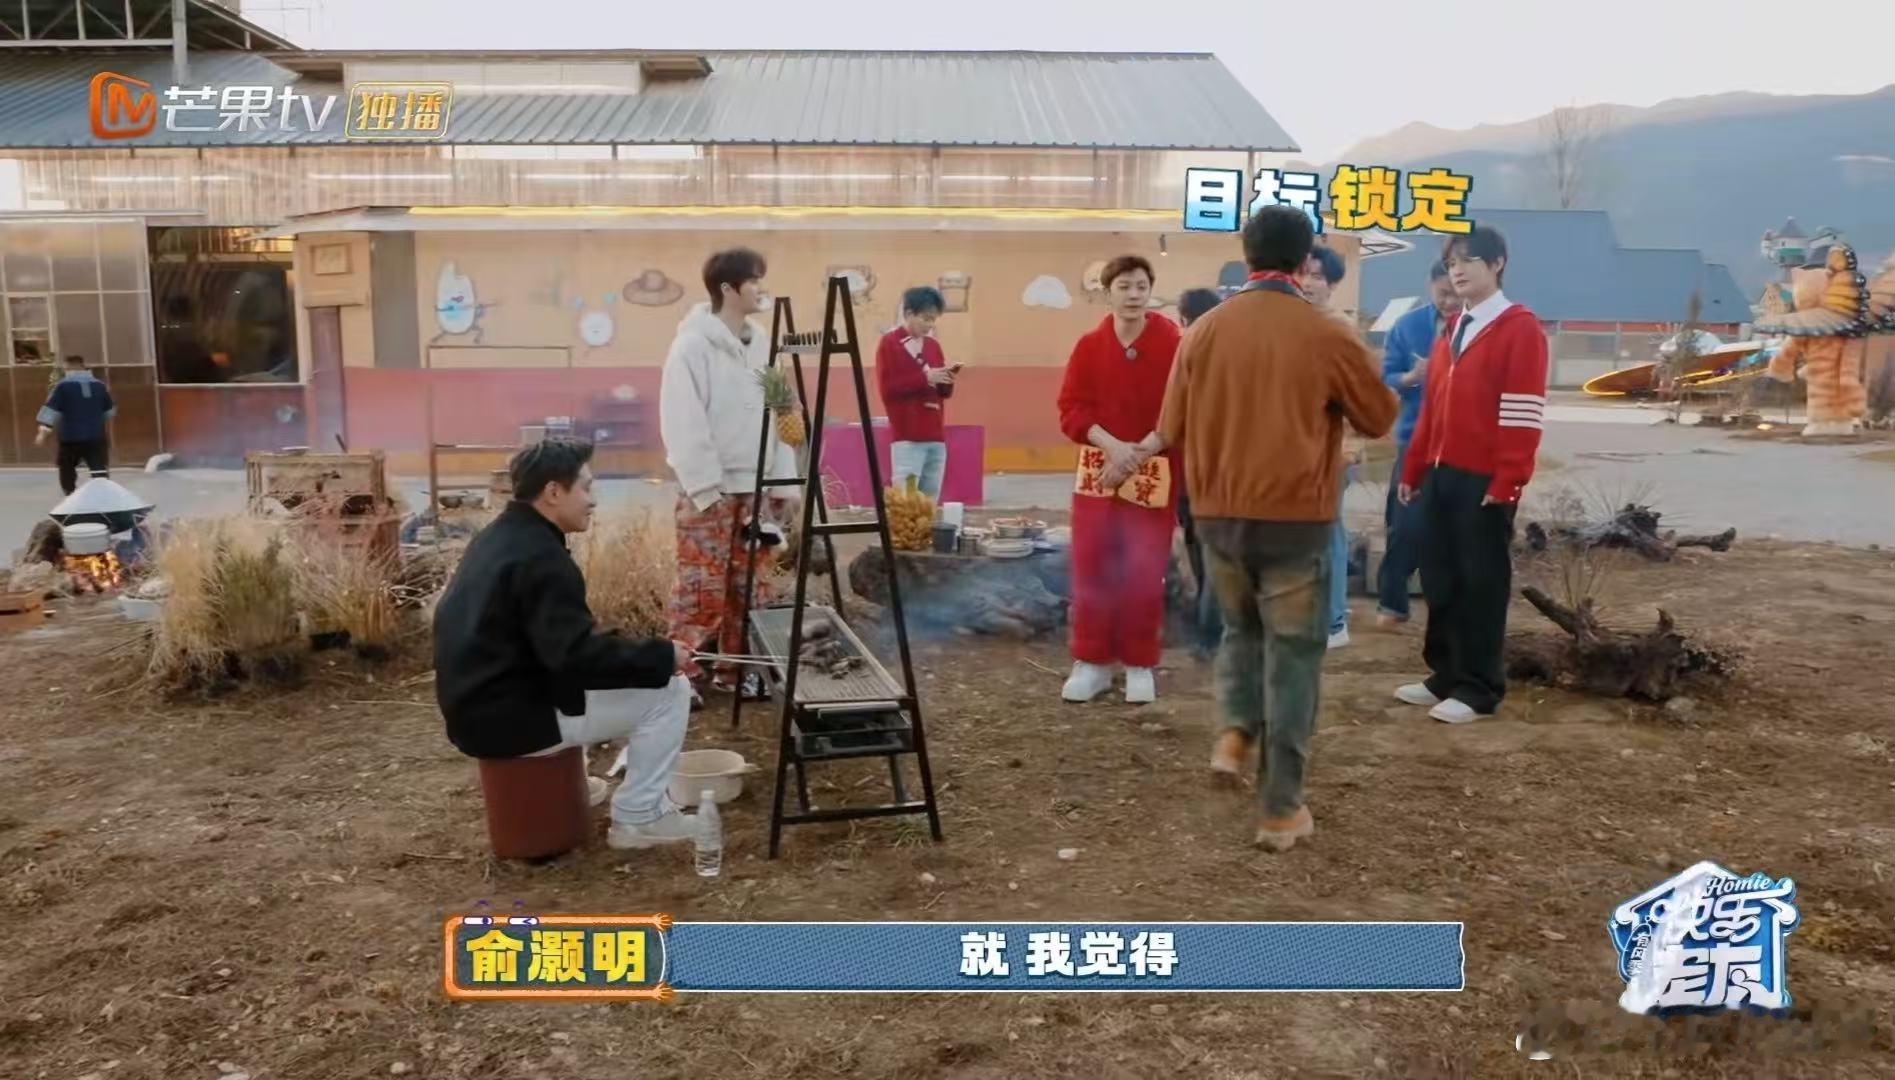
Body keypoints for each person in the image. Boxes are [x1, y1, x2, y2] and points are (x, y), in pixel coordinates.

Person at [1153, 206, 1397, 851]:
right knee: (1292, 660)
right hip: (1295, 520)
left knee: (1240, 629)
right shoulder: (1325, 332)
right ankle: (1281, 809)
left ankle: (1234, 731)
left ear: (1247, 255)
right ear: (1305, 260)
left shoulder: (1203, 330)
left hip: (1217, 516)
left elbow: (1171, 424)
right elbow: (1377, 417)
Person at [433, 438, 701, 850]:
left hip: (476, 709)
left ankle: (572, 786)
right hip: (508, 721)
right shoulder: (542, 557)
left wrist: (636, 653)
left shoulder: (498, 538)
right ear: (553, 492)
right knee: (672, 691)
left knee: (623, 676)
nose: (593, 500)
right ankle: (640, 818)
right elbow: (578, 658)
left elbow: (556, 643)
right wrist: (664, 656)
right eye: (586, 488)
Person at [1395, 226, 1549, 724]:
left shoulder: (1518, 328)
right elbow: (1432, 408)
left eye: (1468, 260)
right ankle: (1445, 674)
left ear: (1497, 263)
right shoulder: (1453, 327)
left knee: (1480, 581)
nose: (1457, 270)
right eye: (1451, 262)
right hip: (1440, 474)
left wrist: (1509, 478)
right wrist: (1415, 466)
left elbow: (1522, 410)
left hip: (1483, 479)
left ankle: (1480, 687)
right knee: (1440, 576)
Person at [660, 247, 800, 704]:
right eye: (753, 280)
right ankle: (679, 678)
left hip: (756, 488)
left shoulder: (764, 346)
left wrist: (783, 482)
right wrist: (705, 487)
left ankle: (738, 673)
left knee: (750, 589)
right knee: (700, 588)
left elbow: (781, 414)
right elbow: (682, 420)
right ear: (727, 288)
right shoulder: (691, 346)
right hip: (710, 490)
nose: (761, 288)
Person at [1056, 254, 1182, 705]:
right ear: (1106, 293)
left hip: (1154, 465)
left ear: (1151, 290)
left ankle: (1139, 662)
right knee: (1091, 565)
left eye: (1141, 286)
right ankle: (1091, 662)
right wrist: (1112, 447)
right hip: (1099, 471)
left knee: (1144, 569)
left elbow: (1183, 406)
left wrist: (1137, 453)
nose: (1133, 295)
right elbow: (1071, 408)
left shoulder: (1173, 343)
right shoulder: (1089, 346)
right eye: (1124, 287)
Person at [1375, 261, 1460, 627]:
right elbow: (1388, 375)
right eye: (1443, 294)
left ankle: (1450, 607)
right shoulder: (1408, 326)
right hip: (1414, 439)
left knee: (1454, 528)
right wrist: (1412, 376)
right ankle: (1392, 605)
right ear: (1430, 286)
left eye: (1456, 295)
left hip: (1461, 445)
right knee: (1404, 524)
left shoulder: (1481, 327)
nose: (1450, 301)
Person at [1299, 246, 1358, 649]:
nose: (1309, 283)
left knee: (1328, 535)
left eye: (1318, 276)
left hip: (1330, 452)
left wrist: (1347, 448)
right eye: (1303, 273)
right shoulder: (1288, 325)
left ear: (1333, 285)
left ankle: (1334, 622)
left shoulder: (1340, 330)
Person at [1174, 287, 1225, 662]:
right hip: (1223, 477)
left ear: (1183, 319)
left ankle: (1208, 635)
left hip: (1190, 475)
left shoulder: (1180, 356)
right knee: (1215, 556)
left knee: (1201, 553)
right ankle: (1212, 633)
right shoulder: (1233, 357)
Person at [879, 285, 956, 499]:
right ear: (909, 314)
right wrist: (925, 378)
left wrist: (947, 379)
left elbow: (943, 393)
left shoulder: (933, 346)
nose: (929, 325)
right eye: (925, 318)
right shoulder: (890, 344)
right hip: (908, 436)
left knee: (930, 500)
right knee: (906, 500)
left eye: (933, 320)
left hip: (936, 435)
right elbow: (888, 388)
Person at [36, 354, 115, 496]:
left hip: (70, 437)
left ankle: (70, 496)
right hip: (95, 436)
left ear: (70, 367)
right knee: (99, 469)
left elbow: (51, 410)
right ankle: (104, 496)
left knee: (67, 469)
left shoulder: (62, 386)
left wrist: (43, 433)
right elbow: (110, 411)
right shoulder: (99, 386)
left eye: (65, 368)